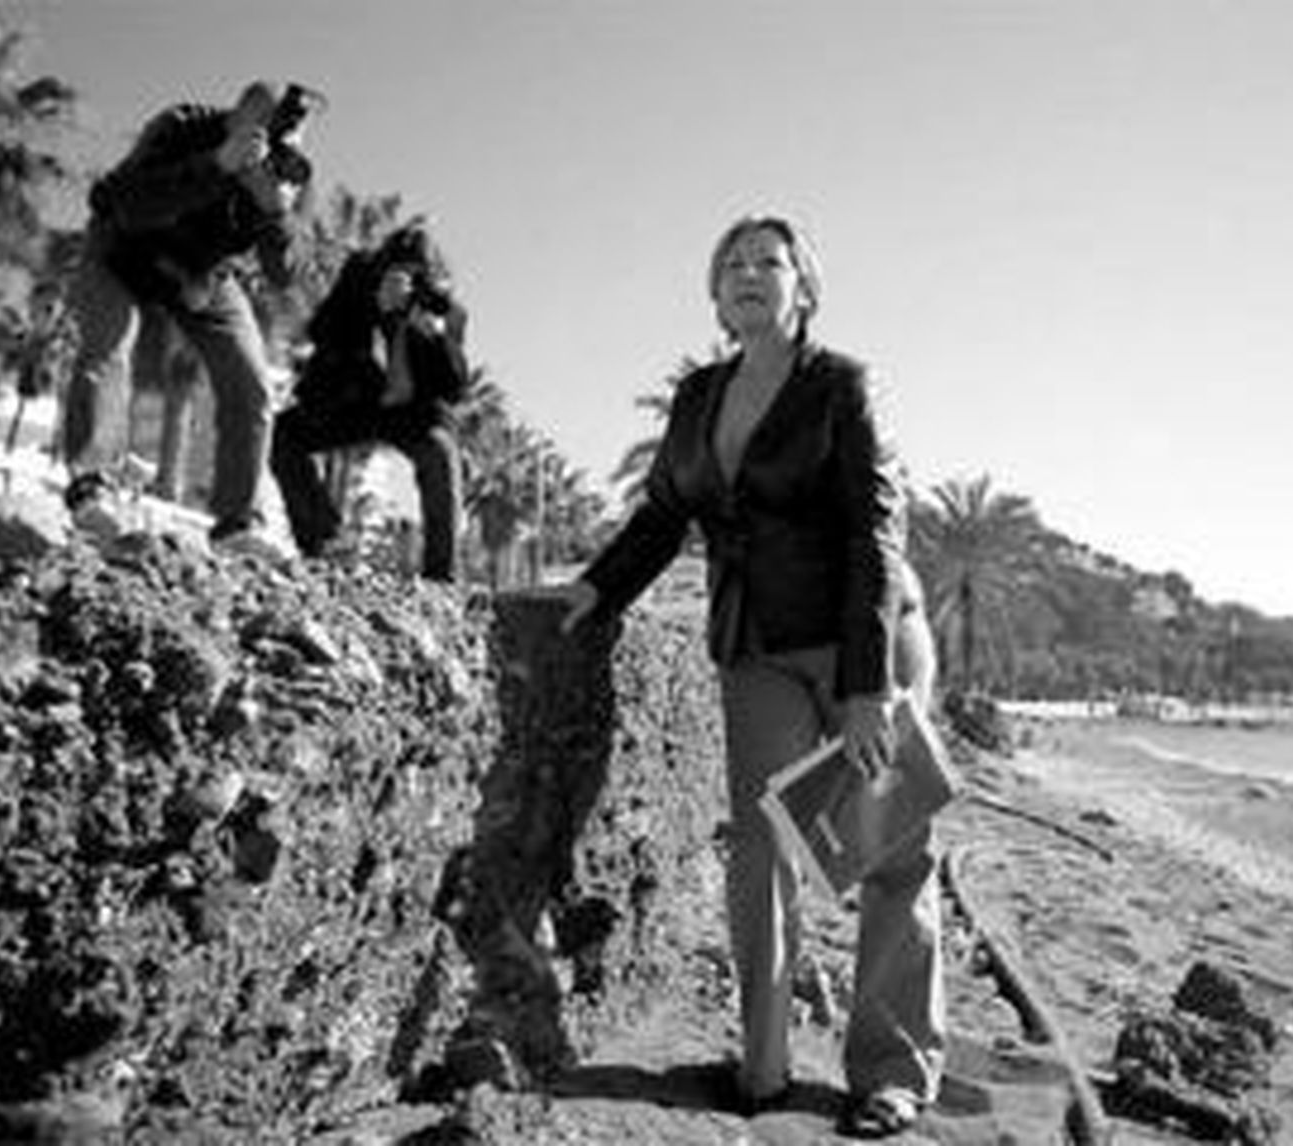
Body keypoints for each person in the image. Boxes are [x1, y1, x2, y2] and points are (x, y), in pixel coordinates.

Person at [558, 214, 945, 1138]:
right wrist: (592, 590)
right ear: (714, 293)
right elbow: (662, 517)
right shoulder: (697, 396)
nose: (747, 274)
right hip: (757, 645)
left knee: (893, 854)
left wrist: (865, 687)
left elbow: (874, 531)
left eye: (768, 261)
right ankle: (764, 1068)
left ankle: (890, 1072)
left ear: (803, 286)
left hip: (866, 638)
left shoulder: (841, 384)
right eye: (731, 263)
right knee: (765, 852)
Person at [61, 79, 318, 550]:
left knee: (251, 381)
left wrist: (274, 212)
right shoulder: (181, 125)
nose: (272, 148)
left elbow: (286, 274)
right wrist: (219, 165)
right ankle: (90, 486)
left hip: (202, 274)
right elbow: (126, 203)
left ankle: (238, 523)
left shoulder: (289, 172)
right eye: (262, 130)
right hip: (123, 247)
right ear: (237, 113)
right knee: (108, 343)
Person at [270, 222, 469, 581]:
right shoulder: (359, 277)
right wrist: (371, 307)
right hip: (356, 400)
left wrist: (436, 336)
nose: (403, 282)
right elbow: (320, 330)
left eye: (414, 276)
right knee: (284, 434)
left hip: (413, 413)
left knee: (440, 452)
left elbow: (455, 388)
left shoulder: (444, 309)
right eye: (395, 271)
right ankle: (325, 542)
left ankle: (442, 577)